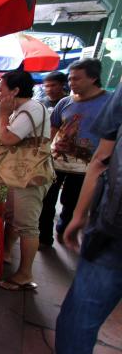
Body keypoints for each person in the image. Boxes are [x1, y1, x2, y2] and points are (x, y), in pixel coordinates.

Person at [52, 82, 122, 354]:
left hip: (114, 225)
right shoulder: (65, 103)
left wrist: (80, 215)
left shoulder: (114, 98)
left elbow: (101, 159)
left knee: (86, 304)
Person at [38, 59, 112, 246]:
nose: (72, 83)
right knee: (46, 201)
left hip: (86, 168)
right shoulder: (65, 102)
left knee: (70, 203)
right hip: (56, 162)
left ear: (93, 78)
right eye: (70, 79)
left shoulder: (109, 103)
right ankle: (44, 238)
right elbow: (53, 129)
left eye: (77, 79)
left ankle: (64, 231)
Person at [0, 71, 52, 291]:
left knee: (27, 226)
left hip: (30, 176)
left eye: (1, 89)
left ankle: (25, 274)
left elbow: (8, 138)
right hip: (19, 174)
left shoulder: (32, 109)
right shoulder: (22, 110)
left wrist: (2, 115)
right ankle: (8, 253)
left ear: (15, 91)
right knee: (12, 216)